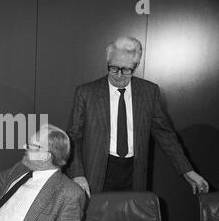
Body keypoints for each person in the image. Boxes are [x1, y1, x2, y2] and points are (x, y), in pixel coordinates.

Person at [67, 36, 209, 197]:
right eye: (113, 68)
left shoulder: (149, 91)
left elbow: (165, 135)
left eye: (126, 69)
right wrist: (77, 173)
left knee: (132, 220)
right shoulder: (86, 93)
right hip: (96, 171)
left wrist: (187, 170)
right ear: (107, 62)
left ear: (136, 66)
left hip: (134, 173)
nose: (119, 75)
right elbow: (74, 137)